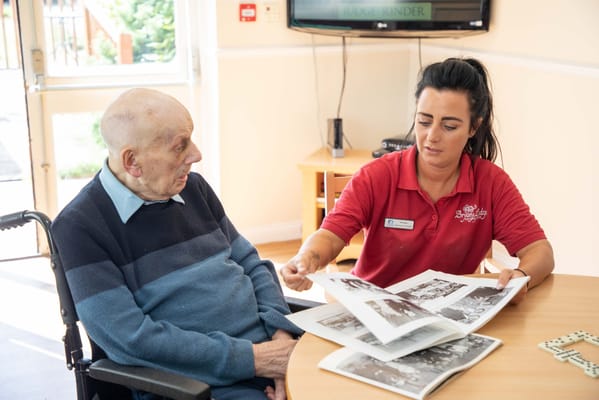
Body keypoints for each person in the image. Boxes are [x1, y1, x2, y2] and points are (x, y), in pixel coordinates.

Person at [51, 88, 302, 400]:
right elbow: (130, 339)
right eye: (180, 146)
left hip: (273, 356)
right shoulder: (80, 226)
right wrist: (257, 360)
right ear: (133, 162)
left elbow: (252, 263)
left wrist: (280, 336)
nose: (196, 155)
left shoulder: (194, 189)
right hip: (198, 387)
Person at [281, 57, 554, 304]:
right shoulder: (377, 175)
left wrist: (522, 275)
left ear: (474, 127)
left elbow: (539, 251)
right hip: (374, 307)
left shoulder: (491, 183)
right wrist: (307, 259)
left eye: (449, 126)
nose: (431, 136)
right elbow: (330, 236)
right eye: (424, 121)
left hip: (447, 311)